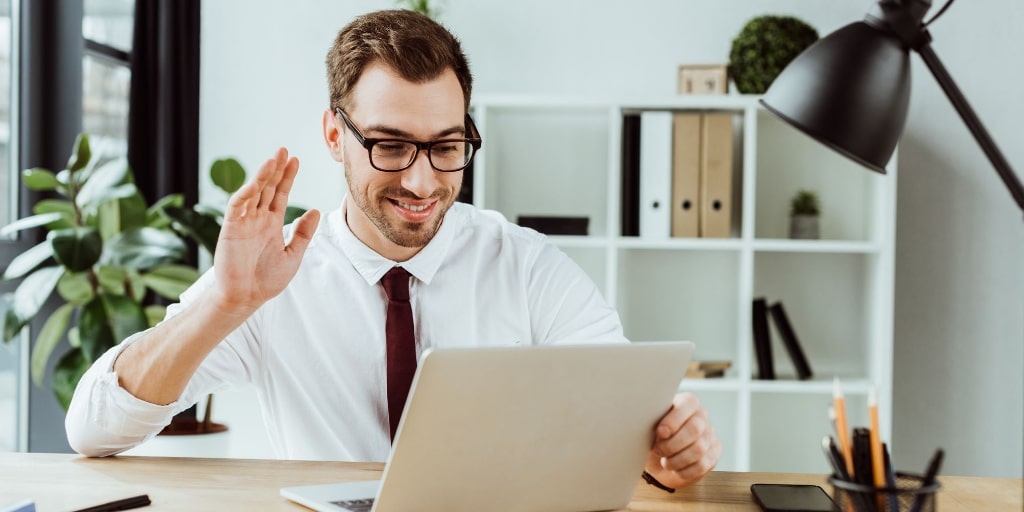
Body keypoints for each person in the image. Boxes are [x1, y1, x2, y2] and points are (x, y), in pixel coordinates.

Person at [65, 9, 721, 489]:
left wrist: (665, 444)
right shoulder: (269, 278)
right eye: (390, 145)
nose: (421, 180)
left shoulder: (526, 265)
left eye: (445, 146)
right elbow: (92, 430)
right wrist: (226, 303)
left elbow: (621, 410)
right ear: (333, 133)